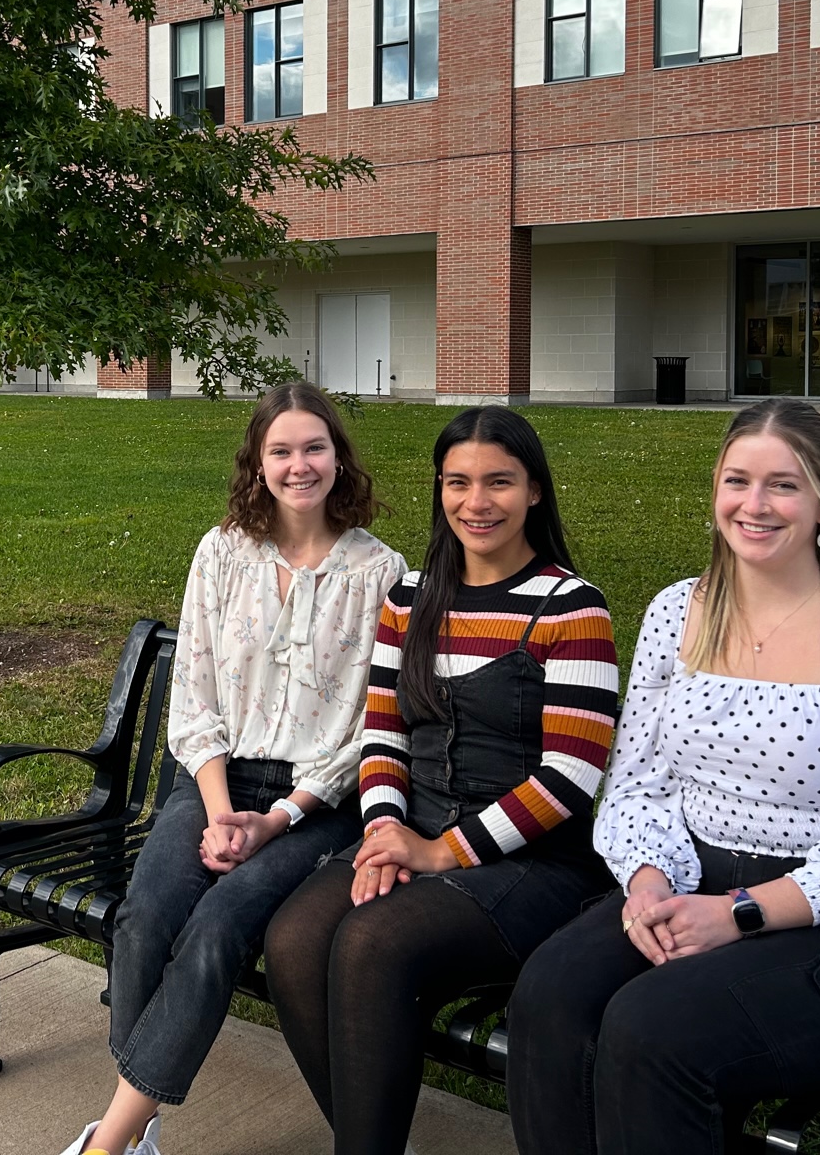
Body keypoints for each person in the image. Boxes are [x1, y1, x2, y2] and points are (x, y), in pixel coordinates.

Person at [505, 396, 820, 1155]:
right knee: (550, 996)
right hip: (689, 881)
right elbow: (639, 785)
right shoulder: (679, 613)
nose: (755, 505)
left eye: (783, 485)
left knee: (652, 1032)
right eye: (738, 481)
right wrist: (650, 884)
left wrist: (737, 912)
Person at [58, 383, 405, 1155]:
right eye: (280, 450)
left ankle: (110, 1141)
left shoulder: (380, 574)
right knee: (144, 918)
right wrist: (218, 811)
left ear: (339, 458)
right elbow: (195, 696)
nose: (299, 465)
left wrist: (277, 818)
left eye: (315, 447)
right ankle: (137, 1126)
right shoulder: (221, 553)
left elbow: (367, 729)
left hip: (314, 802)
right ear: (257, 462)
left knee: (217, 927)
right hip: (214, 781)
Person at [262, 407, 620, 1155]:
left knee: (370, 945)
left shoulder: (570, 607)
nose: (476, 502)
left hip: (532, 862)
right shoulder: (411, 598)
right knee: (294, 940)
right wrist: (387, 830)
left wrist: (440, 851)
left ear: (534, 492)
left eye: (499, 482)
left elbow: (571, 776)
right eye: (458, 482)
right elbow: (384, 733)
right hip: (413, 832)